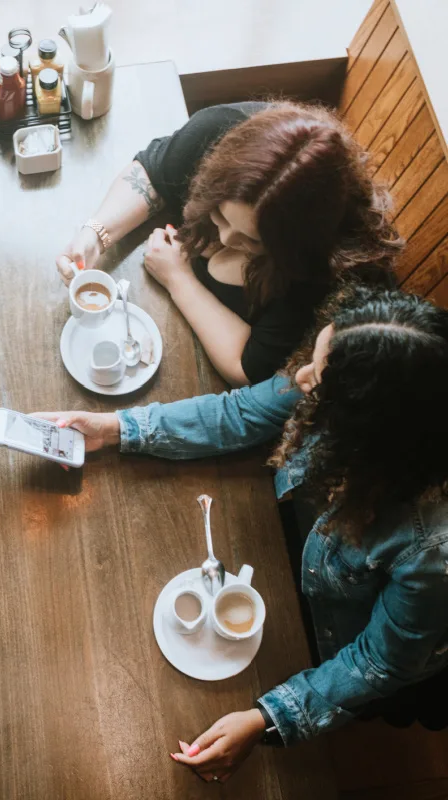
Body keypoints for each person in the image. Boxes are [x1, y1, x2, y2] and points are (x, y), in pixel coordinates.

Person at [37, 288, 448, 782]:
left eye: (315, 380)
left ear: (367, 427)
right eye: (313, 361)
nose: (299, 379)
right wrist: (114, 429)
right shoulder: (360, 381)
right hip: (299, 555)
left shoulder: (431, 549)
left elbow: (379, 662)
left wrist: (266, 719)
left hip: (341, 635)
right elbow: (241, 413)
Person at [56, 101, 401, 386]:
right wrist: (96, 234)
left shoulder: (320, 264)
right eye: (220, 217)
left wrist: (179, 277)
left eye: (251, 241)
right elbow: (153, 172)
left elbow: (247, 367)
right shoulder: (215, 133)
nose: (224, 239)